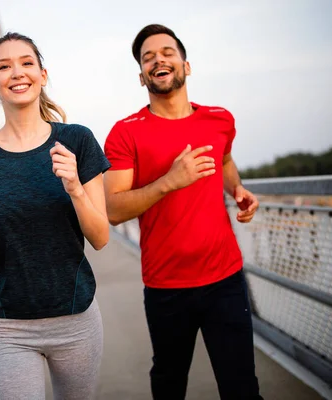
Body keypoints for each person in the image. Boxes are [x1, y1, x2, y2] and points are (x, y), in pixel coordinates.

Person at [0, 32, 110, 400]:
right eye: (4, 66)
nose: (17, 73)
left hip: (76, 319)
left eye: (26, 63)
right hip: (8, 327)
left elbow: (100, 238)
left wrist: (75, 188)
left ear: (43, 74)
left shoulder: (78, 141)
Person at [103, 24, 263, 399]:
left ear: (185, 66)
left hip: (225, 278)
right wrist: (169, 181)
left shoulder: (220, 119)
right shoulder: (125, 133)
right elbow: (112, 210)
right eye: (148, 57)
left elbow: (224, 161)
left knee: (242, 388)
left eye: (167, 52)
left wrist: (237, 189)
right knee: (170, 385)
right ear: (141, 77)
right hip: (166, 286)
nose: (159, 59)